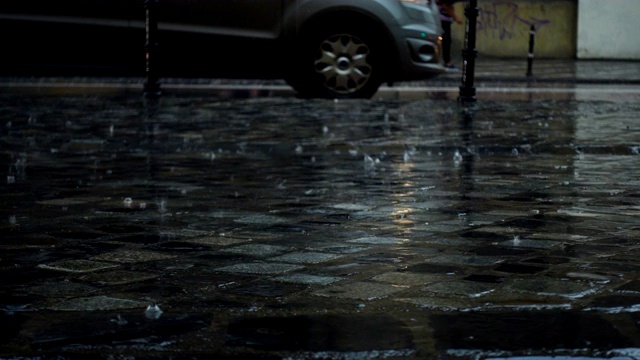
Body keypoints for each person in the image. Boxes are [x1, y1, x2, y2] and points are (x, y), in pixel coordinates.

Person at [436, 0, 464, 72]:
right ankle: (446, 62)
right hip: (441, 18)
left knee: (442, 40)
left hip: (439, 18)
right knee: (445, 40)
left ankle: (439, 62)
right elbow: (446, 6)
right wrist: (456, 18)